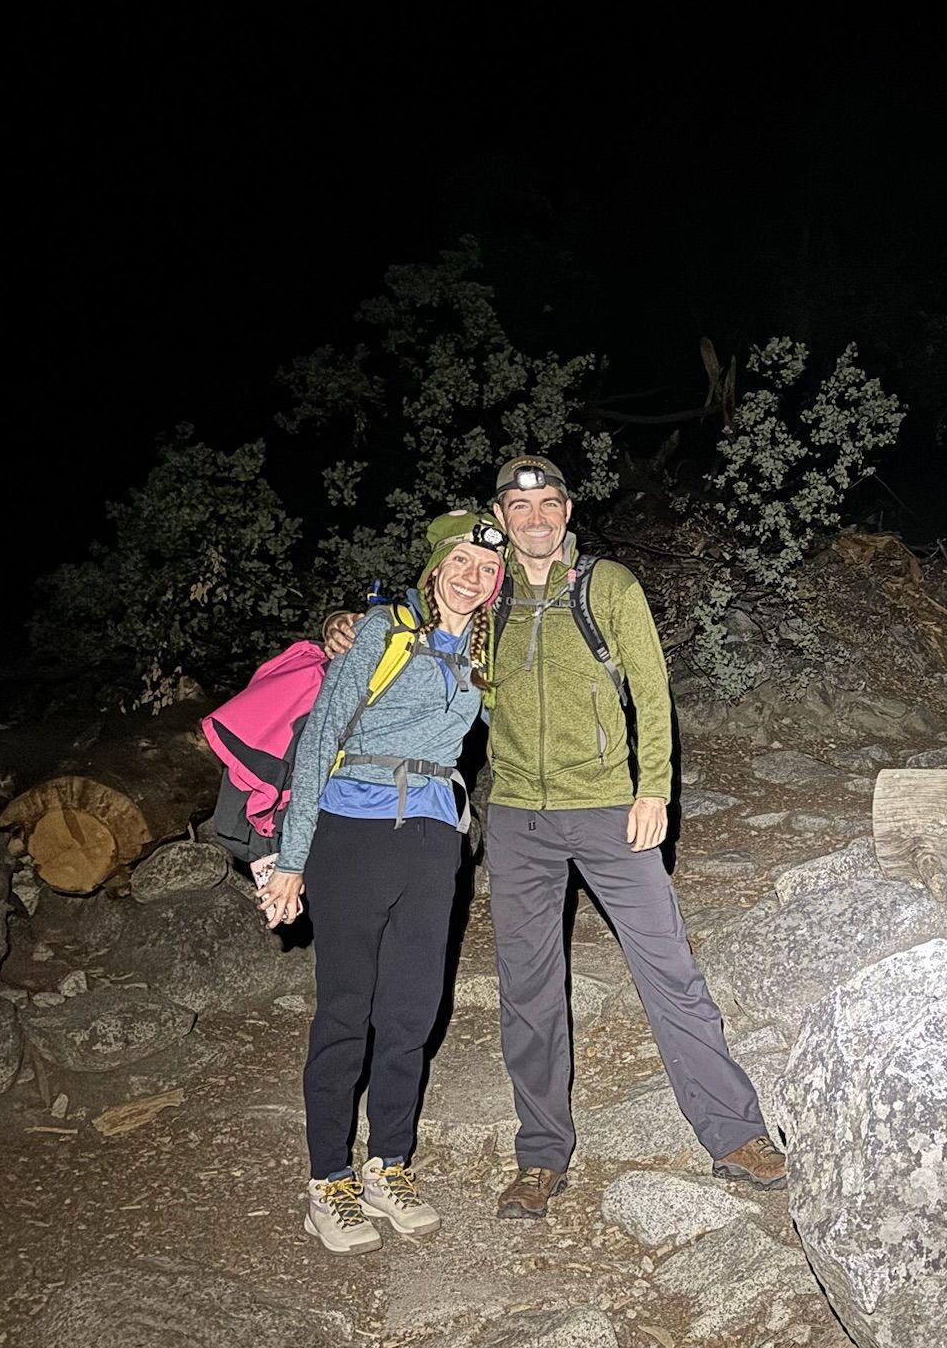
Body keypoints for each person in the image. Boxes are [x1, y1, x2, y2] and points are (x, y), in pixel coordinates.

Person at [331, 455, 785, 1220]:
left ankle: (735, 1133)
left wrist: (653, 789)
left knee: (670, 971)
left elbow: (651, 691)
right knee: (528, 990)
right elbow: (418, 617)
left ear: (567, 512)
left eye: (548, 504)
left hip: (609, 808)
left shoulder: (608, 586)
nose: (535, 518)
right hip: (517, 818)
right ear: (501, 518)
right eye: (519, 506)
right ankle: (541, 1154)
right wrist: (342, 625)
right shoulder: (488, 595)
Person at [264, 511, 504, 1253]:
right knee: (346, 1010)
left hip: (435, 839)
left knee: (411, 1011)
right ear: (435, 568)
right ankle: (327, 1180)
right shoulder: (381, 632)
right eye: (460, 562)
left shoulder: (487, 654)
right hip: (353, 832)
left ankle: (388, 1164)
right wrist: (291, 860)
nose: (471, 578)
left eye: (486, 570)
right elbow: (318, 741)